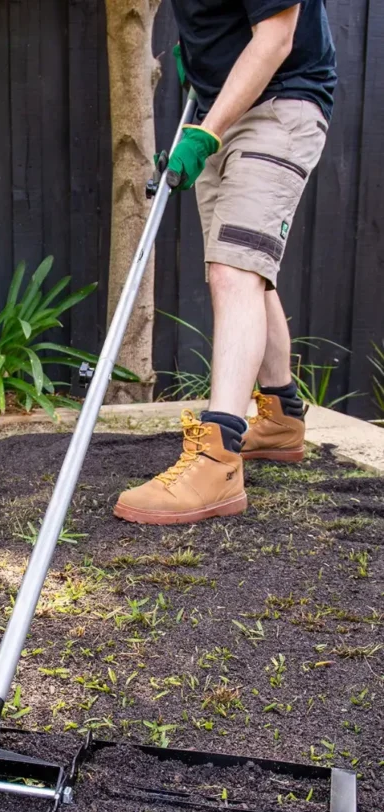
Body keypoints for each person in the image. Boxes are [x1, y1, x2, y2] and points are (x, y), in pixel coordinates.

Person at [114, 0, 336, 526]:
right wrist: (203, 59)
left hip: (280, 106)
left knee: (234, 269)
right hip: (223, 109)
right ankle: (281, 418)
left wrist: (206, 131)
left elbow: (276, 38)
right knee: (245, 266)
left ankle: (217, 460)